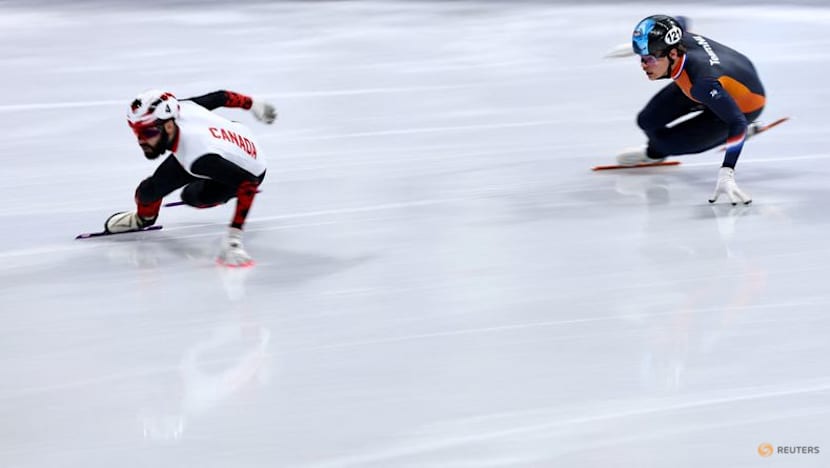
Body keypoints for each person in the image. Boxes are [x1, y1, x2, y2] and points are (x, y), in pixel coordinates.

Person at [105, 89, 277, 267]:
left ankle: (212, 189)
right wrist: (253, 104)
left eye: (148, 133)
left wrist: (234, 240)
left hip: (249, 169)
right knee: (147, 192)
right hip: (225, 140)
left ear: (169, 126)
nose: (141, 141)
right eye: (137, 133)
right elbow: (222, 97)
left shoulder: (198, 158)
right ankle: (144, 218)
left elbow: (248, 184)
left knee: (192, 197)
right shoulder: (183, 107)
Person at [618, 15, 766, 205]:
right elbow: (678, 20)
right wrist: (642, 45)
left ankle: (746, 130)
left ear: (672, 55)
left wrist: (727, 173)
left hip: (744, 105)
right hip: (727, 77)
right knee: (646, 120)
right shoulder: (678, 40)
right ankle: (658, 149)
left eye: (650, 59)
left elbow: (736, 122)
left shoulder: (702, 82)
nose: (643, 66)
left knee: (665, 145)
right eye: (641, 58)